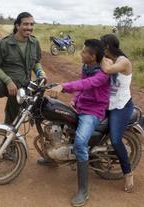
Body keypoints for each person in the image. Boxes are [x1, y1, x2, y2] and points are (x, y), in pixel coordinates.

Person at [46, 39, 110, 207]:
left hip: (93, 112)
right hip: (81, 106)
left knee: (81, 143)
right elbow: (82, 87)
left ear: (92, 56)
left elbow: (85, 83)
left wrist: (63, 87)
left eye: (83, 52)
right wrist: (74, 99)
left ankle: (83, 190)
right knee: (55, 121)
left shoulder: (103, 73)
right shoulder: (86, 67)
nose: (80, 54)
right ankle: (51, 157)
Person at [0, 12, 47, 133]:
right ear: (17, 26)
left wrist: (40, 72)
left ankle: (8, 147)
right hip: (4, 84)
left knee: (12, 122)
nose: (29, 27)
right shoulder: (5, 43)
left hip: (22, 89)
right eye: (26, 24)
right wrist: (8, 81)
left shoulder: (34, 43)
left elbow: (36, 61)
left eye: (31, 24)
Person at [100, 34, 134, 193]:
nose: (100, 49)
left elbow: (107, 69)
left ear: (107, 47)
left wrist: (99, 57)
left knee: (115, 139)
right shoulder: (109, 59)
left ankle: (127, 172)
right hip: (107, 103)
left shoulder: (123, 62)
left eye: (101, 46)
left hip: (121, 106)